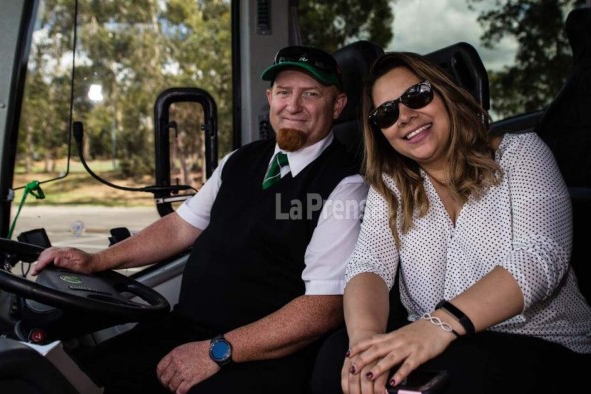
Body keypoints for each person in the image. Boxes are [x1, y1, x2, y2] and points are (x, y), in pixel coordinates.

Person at [32, 45, 368, 394]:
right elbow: (179, 227)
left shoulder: (345, 186)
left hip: (260, 355)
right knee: (77, 377)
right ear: (270, 97)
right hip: (186, 329)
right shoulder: (239, 161)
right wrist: (95, 260)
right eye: (284, 92)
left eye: (310, 94)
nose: (293, 106)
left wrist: (217, 351)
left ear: (338, 105)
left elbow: (323, 308)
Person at [311, 52, 591, 394]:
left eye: (417, 96)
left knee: (459, 377)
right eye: (387, 113)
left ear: (446, 94)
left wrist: (438, 325)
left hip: (541, 345)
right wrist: (366, 346)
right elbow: (368, 264)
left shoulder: (522, 154)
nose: (405, 117)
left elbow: (540, 257)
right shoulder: (392, 186)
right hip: (438, 344)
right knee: (333, 359)